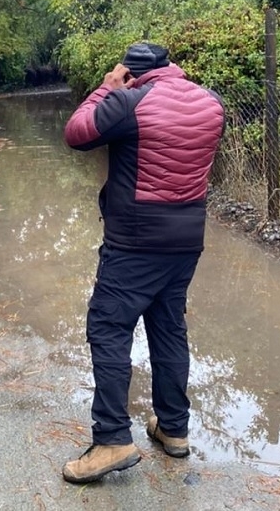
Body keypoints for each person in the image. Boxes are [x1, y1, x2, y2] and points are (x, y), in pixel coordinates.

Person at [61, 42, 226, 483]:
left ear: (131, 73)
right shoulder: (212, 102)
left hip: (135, 241)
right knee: (168, 326)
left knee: (109, 327)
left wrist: (106, 88)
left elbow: (77, 133)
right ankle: (173, 429)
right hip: (187, 238)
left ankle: (112, 438)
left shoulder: (129, 101)